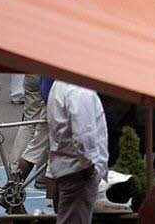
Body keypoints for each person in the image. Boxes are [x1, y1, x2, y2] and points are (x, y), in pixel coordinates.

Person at [47, 79, 108, 224]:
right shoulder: (79, 89)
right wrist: (89, 166)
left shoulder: (61, 83)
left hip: (69, 167)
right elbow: (82, 135)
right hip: (78, 170)